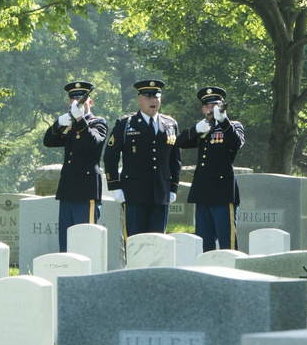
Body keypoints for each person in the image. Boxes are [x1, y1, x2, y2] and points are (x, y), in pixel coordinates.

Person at [104, 79, 182, 239]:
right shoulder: (125, 124)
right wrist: (114, 186)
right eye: (148, 97)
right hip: (134, 194)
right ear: (139, 99)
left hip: (161, 193)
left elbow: (175, 160)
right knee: (134, 242)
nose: (153, 101)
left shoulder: (170, 125)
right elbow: (110, 157)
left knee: (158, 243)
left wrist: (173, 187)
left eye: (156, 97)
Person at [176, 86, 245, 252]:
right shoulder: (202, 127)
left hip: (222, 192)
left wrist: (223, 121)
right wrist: (196, 129)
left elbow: (237, 143)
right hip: (202, 192)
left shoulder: (232, 126)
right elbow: (179, 143)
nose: (210, 109)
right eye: (207, 106)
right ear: (202, 109)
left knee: (227, 243)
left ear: (221, 106)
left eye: (214, 105)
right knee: (203, 244)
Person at [43, 81, 108, 251]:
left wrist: (79, 119)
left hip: (86, 192)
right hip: (67, 190)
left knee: (86, 242)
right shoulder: (69, 125)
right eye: (73, 102)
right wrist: (59, 123)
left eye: (81, 101)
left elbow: (92, 142)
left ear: (90, 102)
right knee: (66, 243)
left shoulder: (98, 123)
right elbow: (48, 141)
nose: (76, 104)